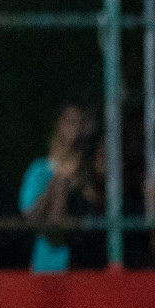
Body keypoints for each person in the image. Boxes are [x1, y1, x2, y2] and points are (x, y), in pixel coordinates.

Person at [20, 104, 90, 272]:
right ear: (59, 124)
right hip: (47, 264)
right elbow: (28, 217)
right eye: (70, 122)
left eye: (81, 122)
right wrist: (56, 186)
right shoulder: (39, 170)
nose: (76, 128)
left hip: (85, 264)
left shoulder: (91, 171)